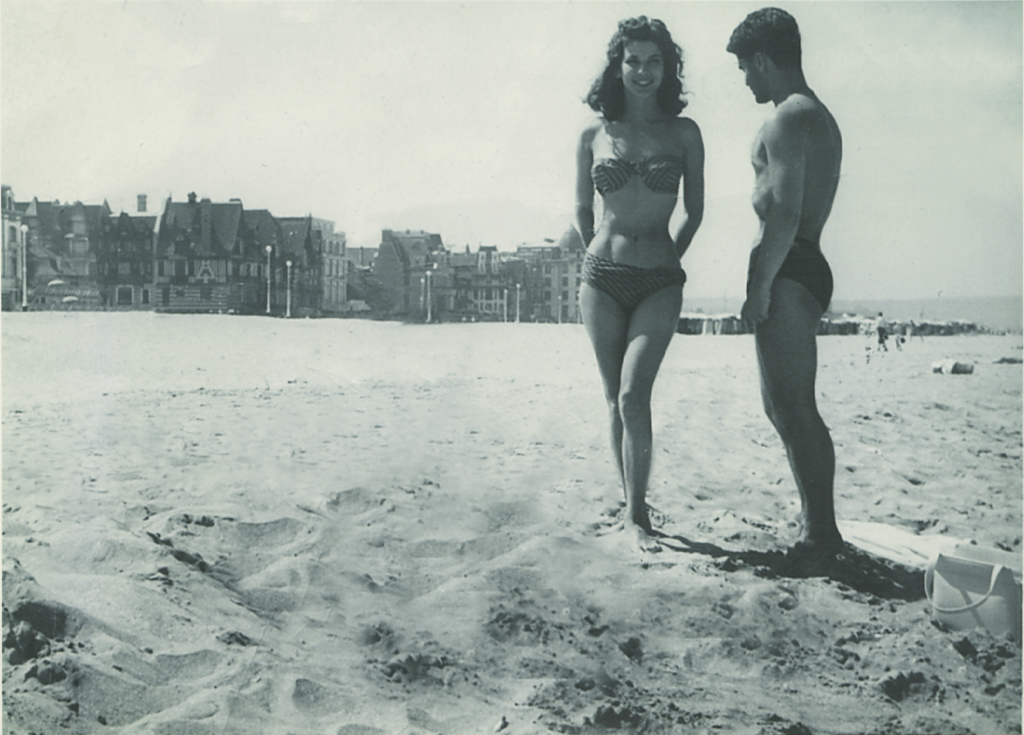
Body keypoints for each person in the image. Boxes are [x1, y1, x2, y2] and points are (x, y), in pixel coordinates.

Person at [576, 16, 704, 553]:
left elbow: (694, 213)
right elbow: (583, 210)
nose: (643, 71)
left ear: (667, 68)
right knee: (613, 399)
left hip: (658, 280)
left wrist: (667, 259)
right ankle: (630, 501)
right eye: (633, 60)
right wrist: (593, 254)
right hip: (601, 278)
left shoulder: (684, 133)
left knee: (634, 393)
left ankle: (636, 517)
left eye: (655, 62)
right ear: (617, 65)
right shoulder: (593, 135)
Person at [728, 8, 843, 569]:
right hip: (805, 264)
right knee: (787, 407)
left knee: (793, 407)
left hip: (789, 266)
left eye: (747, 69)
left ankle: (821, 535)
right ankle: (815, 526)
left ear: (764, 60)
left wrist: (759, 289)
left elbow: (784, 214)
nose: (746, 80)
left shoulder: (785, 120)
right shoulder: (816, 115)